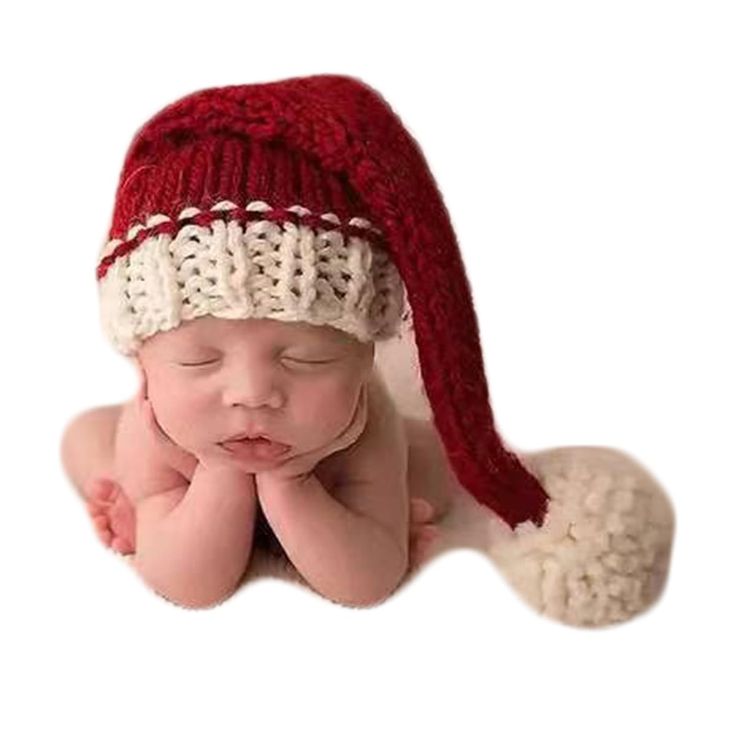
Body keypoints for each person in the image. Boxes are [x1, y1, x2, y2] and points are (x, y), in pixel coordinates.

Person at [61, 75, 675, 625]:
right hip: (174, 461)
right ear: (142, 360)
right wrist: (214, 475)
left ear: (365, 358)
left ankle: (337, 475)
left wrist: (293, 480)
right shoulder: (157, 422)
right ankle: (140, 498)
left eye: (307, 359)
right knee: (87, 439)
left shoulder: (363, 422)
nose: (251, 392)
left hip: (329, 463)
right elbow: (193, 587)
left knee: (431, 468)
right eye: (199, 360)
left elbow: (363, 584)